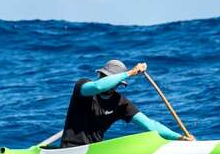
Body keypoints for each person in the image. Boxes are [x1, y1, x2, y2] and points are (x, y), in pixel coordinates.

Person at [59, 59, 192, 148]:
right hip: (70, 150)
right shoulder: (83, 87)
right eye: (106, 78)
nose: (110, 86)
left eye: (114, 82)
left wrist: (179, 138)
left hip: (93, 152)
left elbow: (150, 125)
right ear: (100, 76)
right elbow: (99, 87)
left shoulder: (120, 103)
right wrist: (130, 73)